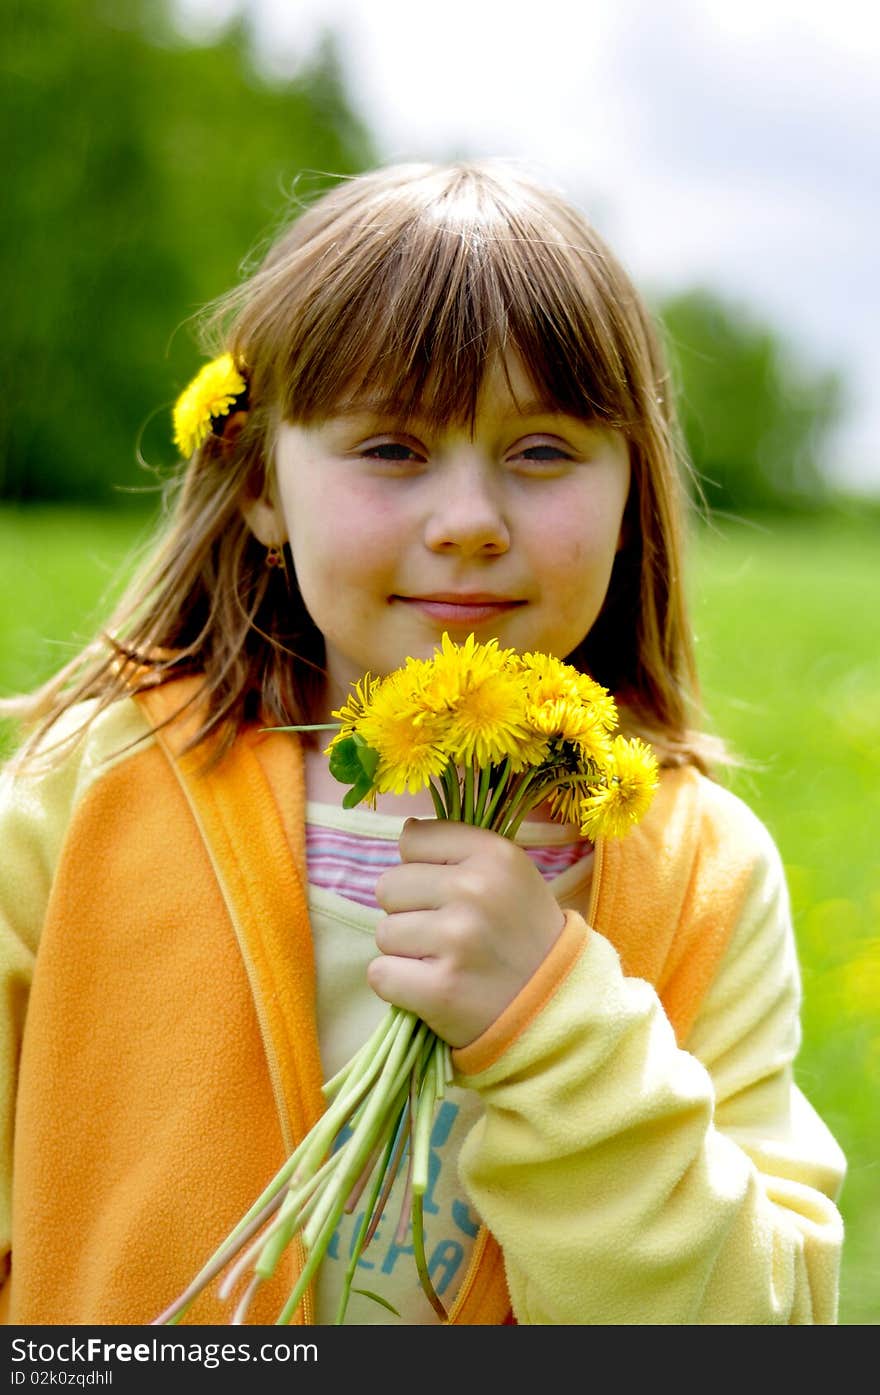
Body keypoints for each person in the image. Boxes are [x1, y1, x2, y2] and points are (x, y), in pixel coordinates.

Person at [0, 160, 845, 1327]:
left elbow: (761, 1321)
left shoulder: (700, 876)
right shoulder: (81, 799)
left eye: (541, 450)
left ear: (630, 492)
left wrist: (552, 1026)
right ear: (257, 488)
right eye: (392, 449)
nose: (468, 524)